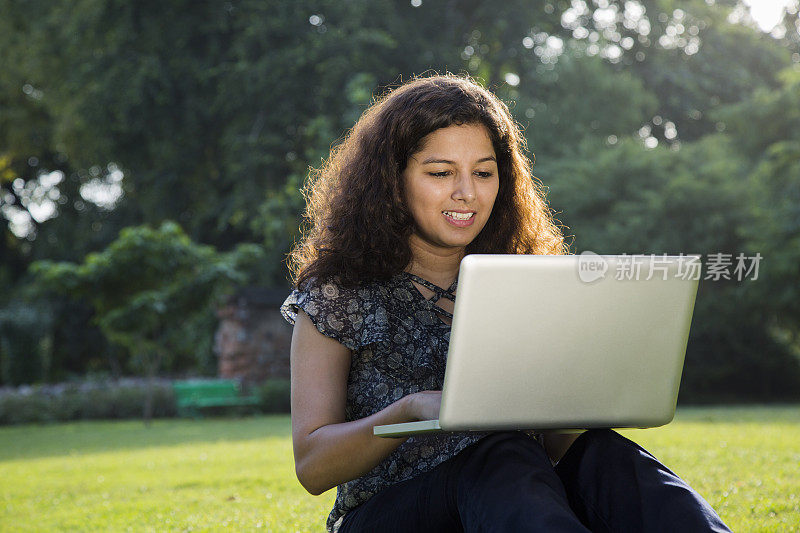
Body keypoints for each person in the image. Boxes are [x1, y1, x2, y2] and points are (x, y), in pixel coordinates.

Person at [280, 74, 731, 533]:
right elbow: (313, 466)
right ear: (391, 182)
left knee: (603, 453)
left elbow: (555, 442)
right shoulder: (340, 290)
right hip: (389, 516)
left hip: (515, 503)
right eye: (440, 173)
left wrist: (585, 400)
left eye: (483, 172)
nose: (467, 193)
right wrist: (410, 409)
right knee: (504, 452)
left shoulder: (529, 278)